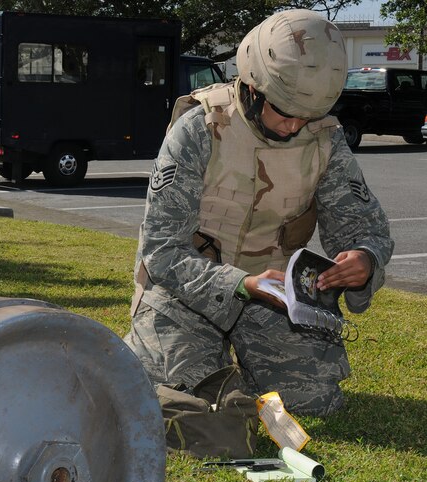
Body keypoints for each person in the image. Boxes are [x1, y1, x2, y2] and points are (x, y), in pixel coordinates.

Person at [124, 9, 394, 416]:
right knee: (187, 399)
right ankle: (182, 353)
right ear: (252, 87)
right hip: (187, 293)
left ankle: (249, 367)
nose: (293, 128)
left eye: (307, 118)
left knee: (313, 401)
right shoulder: (200, 129)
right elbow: (162, 251)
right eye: (285, 113)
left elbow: (364, 225)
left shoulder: (325, 141)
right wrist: (241, 283)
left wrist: (364, 259)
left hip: (278, 297)